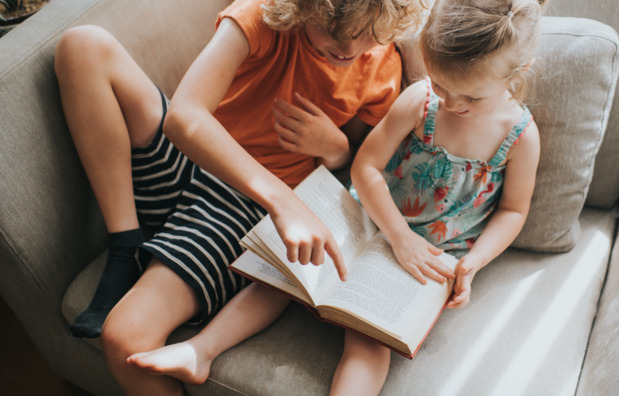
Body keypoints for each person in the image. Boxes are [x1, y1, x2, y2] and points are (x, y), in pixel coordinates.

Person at [54, 0, 425, 394]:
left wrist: (335, 148)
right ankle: (125, 241)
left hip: (238, 204)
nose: (350, 49)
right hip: (197, 155)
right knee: (83, 45)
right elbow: (184, 118)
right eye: (334, 31)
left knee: (124, 338)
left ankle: (137, 245)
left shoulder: (383, 64)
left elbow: (357, 159)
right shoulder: (264, 16)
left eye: (367, 35)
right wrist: (285, 202)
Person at [349, 0, 545, 388]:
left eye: (472, 98)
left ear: (517, 76)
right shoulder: (421, 103)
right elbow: (364, 168)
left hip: (433, 261)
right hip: (372, 221)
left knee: (368, 341)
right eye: (440, 84)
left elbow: (512, 212)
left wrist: (474, 262)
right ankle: (201, 350)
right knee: (281, 274)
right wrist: (400, 238)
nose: (451, 103)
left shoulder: (520, 137)